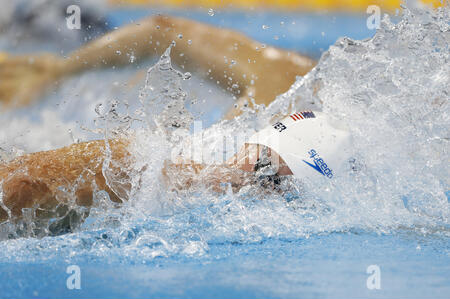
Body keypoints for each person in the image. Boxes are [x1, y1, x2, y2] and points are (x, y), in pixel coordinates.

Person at [0, 15, 351, 234]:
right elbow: (163, 31)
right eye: (261, 168)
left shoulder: (289, 75)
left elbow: (162, 29)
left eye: (265, 174)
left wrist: (57, 72)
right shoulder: (296, 83)